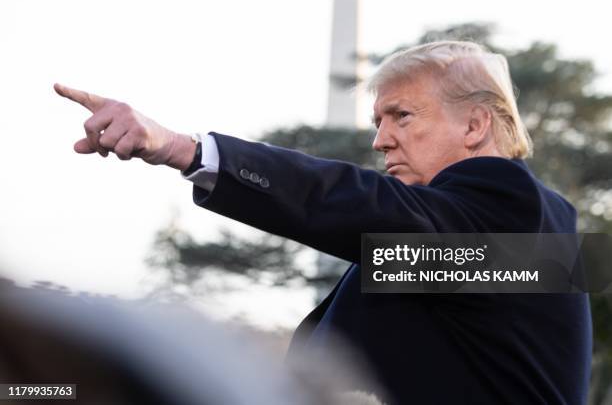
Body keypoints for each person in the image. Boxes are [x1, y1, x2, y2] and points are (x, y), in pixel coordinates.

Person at [55, 41, 592, 404]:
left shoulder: (515, 212)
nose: (380, 140)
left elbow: (363, 205)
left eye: (401, 116)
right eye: (377, 121)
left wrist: (183, 149)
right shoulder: (456, 254)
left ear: (476, 125)